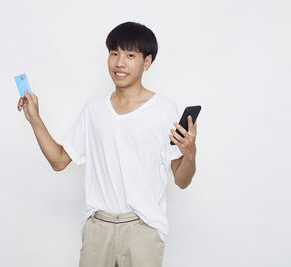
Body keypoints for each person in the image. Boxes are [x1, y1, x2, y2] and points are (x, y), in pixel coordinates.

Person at [17, 21, 197, 267]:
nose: (119, 62)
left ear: (147, 62)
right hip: (98, 228)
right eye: (114, 53)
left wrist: (190, 153)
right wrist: (35, 119)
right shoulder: (94, 110)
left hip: (143, 229)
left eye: (130, 55)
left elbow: (182, 180)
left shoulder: (164, 110)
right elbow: (59, 161)